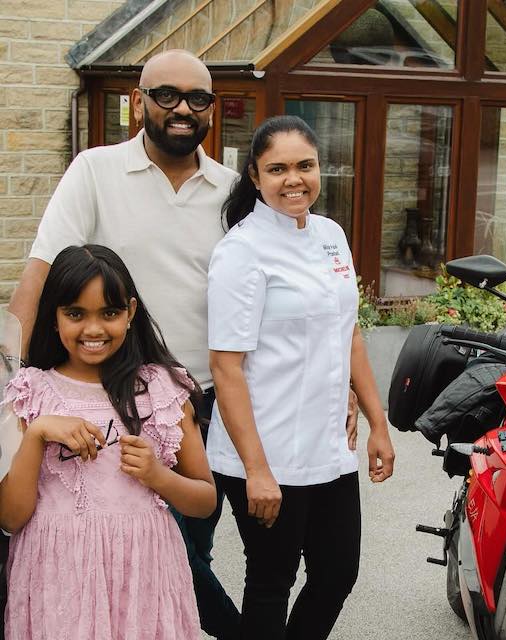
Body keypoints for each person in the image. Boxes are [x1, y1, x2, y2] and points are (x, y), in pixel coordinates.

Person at [5, 50, 244, 639]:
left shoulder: (235, 192)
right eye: (166, 95)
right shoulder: (95, 170)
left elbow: (270, 297)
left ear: (213, 109)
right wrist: (16, 379)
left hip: (193, 400)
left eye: (198, 98)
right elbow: (41, 272)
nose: (182, 109)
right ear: (138, 101)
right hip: (93, 391)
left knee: (179, 551)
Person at [207, 115, 396, 639]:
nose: (295, 179)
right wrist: (257, 471)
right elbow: (226, 367)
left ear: (320, 169)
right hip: (264, 450)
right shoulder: (241, 252)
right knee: (272, 579)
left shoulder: (331, 235)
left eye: (305, 166)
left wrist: (379, 423)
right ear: (254, 176)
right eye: (278, 169)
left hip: (327, 447)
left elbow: (349, 333)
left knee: (338, 572)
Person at [0, 244, 217, 638]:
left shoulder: (161, 390)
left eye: (110, 313)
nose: (94, 329)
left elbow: (204, 500)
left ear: (131, 312)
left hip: (142, 577)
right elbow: (11, 518)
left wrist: (158, 476)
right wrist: (37, 434)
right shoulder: (29, 394)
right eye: (75, 314)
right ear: (54, 316)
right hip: (57, 579)